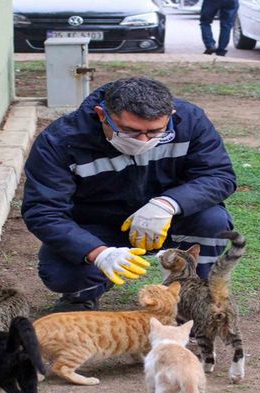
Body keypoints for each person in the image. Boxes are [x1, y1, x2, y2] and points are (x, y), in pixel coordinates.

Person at [22, 77, 237, 312]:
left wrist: (168, 204)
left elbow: (219, 176)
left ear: (171, 114)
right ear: (102, 114)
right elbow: (43, 210)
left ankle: (191, 297)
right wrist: (98, 253)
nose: (143, 140)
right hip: (100, 229)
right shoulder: (59, 142)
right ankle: (82, 295)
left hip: (169, 222)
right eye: (130, 131)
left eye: (155, 131)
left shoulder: (191, 121)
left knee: (213, 221)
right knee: (60, 271)